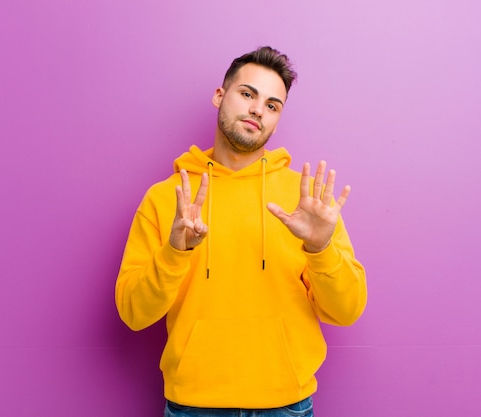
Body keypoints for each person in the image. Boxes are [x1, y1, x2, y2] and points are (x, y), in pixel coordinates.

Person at [115, 46, 367, 417]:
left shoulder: (307, 202)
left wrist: (320, 247)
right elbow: (134, 313)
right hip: (193, 406)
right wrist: (174, 253)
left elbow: (346, 311)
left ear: (277, 119)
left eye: (272, 105)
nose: (257, 110)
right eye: (248, 94)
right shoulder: (166, 197)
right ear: (220, 96)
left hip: (286, 406)